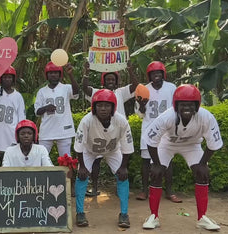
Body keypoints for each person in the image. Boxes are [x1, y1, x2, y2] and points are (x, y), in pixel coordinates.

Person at [142, 84, 222, 231]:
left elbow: (213, 143)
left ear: (197, 106)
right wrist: (157, 164)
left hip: (192, 145)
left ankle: (202, 218)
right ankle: (153, 216)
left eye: (191, 104)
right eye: (182, 104)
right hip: (167, 144)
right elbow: (151, 141)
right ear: (175, 105)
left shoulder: (206, 117)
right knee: (156, 175)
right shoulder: (166, 117)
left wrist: (203, 164)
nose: (186, 108)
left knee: (202, 174)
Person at [74, 89, 134, 228]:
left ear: (113, 107)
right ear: (94, 107)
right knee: (81, 177)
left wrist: (123, 167)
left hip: (112, 150)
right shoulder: (87, 120)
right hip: (89, 151)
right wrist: (82, 166)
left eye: (107, 105)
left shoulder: (121, 121)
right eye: (99, 105)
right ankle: (80, 212)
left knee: (123, 176)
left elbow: (127, 145)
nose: (103, 108)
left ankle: (124, 213)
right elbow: (79, 145)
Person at [82, 62, 138, 197]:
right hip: (99, 132)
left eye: (113, 79)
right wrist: (86, 72)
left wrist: (130, 71)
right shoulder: (97, 93)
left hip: (117, 134)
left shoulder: (121, 92)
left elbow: (136, 86)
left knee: (121, 163)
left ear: (116, 81)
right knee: (96, 161)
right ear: (103, 81)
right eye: (108, 79)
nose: (110, 81)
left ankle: (120, 189)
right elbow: (85, 88)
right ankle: (94, 187)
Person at [135, 61, 181, 203]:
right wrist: (142, 106)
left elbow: (177, 106)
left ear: (163, 74)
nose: (157, 75)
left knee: (168, 161)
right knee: (146, 162)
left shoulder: (171, 87)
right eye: (153, 73)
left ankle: (169, 191)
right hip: (149, 129)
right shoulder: (143, 89)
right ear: (149, 75)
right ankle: (144, 191)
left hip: (167, 129)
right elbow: (140, 114)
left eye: (159, 72)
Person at [34, 62, 79, 157]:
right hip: (46, 130)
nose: (53, 75)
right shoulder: (42, 92)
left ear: (60, 75)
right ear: (47, 75)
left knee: (66, 159)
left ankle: (68, 173)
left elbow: (76, 94)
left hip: (64, 131)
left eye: (56, 73)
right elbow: (37, 112)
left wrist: (71, 75)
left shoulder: (66, 88)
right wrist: (46, 108)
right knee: (41, 158)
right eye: (51, 73)